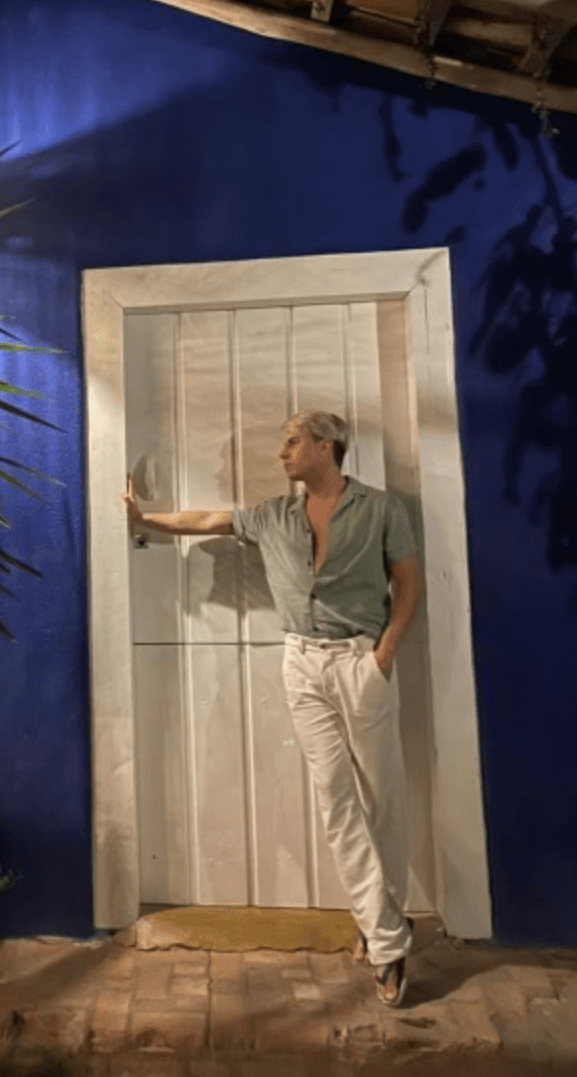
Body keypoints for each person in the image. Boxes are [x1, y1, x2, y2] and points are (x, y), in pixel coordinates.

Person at [121, 410, 422, 1008]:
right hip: (301, 664)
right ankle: (388, 939)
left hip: (360, 661)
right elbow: (206, 517)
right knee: (336, 801)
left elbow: (408, 583)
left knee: (382, 796)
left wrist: (384, 653)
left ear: (326, 446)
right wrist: (144, 519)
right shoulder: (274, 515)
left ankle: (380, 916)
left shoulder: (383, 509)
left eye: (291, 442)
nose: (282, 453)